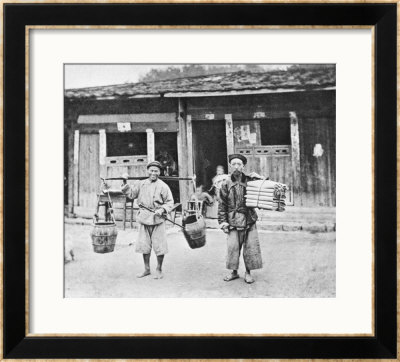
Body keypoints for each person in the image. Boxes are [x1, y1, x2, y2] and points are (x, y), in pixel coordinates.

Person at [218, 154, 266, 284]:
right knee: (233, 247)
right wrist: (223, 221)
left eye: (239, 164)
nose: (236, 166)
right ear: (230, 165)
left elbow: (264, 188)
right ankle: (234, 272)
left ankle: (248, 272)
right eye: (233, 164)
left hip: (248, 218)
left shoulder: (250, 180)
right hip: (232, 219)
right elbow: (222, 204)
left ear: (243, 166)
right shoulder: (226, 183)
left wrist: (261, 179)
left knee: (250, 247)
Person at [130, 161, 174, 279]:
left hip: (158, 219)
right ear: (147, 171)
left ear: (160, 172)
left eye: (156, 171)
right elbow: (131, 195)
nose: (153, 173)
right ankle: (146, 269)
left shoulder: (163, 186)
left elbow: (170, 202)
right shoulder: (141, 184)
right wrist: (124, 182)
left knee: (160, 246)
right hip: (144, 218)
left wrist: (162, 210)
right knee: (145, 245)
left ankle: (159, 269)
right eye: (151, 170)